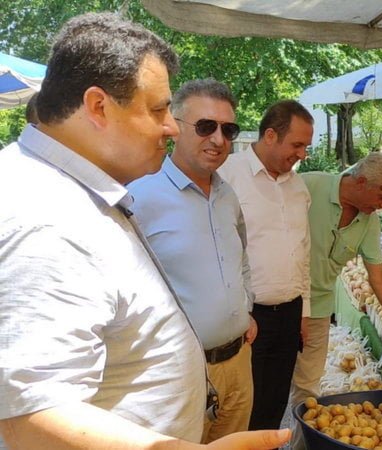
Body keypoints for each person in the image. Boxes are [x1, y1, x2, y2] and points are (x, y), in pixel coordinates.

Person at [0, 12, 290, 450]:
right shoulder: (46, 217)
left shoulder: (77, 192)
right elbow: (31, 415)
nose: (171, 127)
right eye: (158, 110)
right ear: (98, 106)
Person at [128, 79, 256, 443]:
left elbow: (242, 258)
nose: (218, 139)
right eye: (205, 127)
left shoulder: (227, 194)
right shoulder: (139, 196)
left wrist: (244, 308)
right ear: (175, 127)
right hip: (179, 373)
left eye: (228, 129)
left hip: (238, 364)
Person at [290, 152, 382, 449]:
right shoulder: (307, 187)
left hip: (318, 309)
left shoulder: (368, 222)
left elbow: (378, 278)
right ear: (362, 181)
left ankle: (301, 446)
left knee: (306, 391)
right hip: (279, 304)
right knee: (266, 388)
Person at [217, 100, 312, 431]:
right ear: (270, 135)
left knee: (275, 403)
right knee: (241, 407)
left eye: (305, 147)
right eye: (297, 144)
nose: (302, 154)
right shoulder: (226, 176)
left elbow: (304, 250)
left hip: (289, 315)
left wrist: (304, 311)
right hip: (247, 319)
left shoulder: (298, 187)